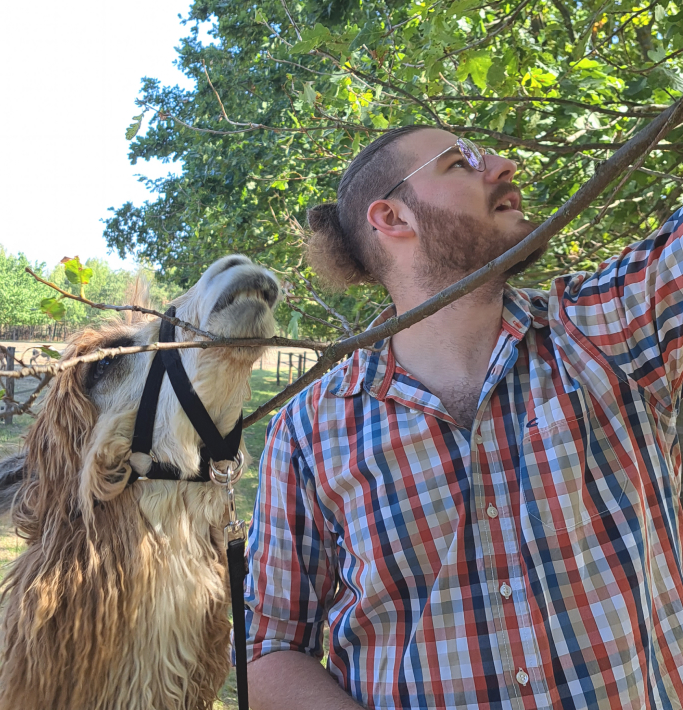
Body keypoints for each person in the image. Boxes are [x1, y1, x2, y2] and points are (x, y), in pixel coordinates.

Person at [244, 125, 683, 710]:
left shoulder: (611, 328)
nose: (504, 165)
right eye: (460, 163)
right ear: (393, 218)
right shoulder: (307, 429)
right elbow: (267, 646)